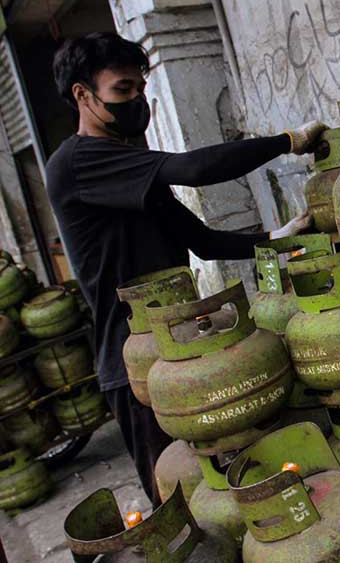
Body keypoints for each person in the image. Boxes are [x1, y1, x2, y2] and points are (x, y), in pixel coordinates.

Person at [46, 32, 324, 505]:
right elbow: (195, 169)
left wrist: (276, 240)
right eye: (122, 91)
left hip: (184, 351)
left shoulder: (132, 167)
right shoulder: (76, 162)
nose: (137, 101)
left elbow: (201, 241)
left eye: (140, 89)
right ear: (82, 95)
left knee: (234, 494)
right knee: (186, 504)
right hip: (136, 368)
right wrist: (285, 142)